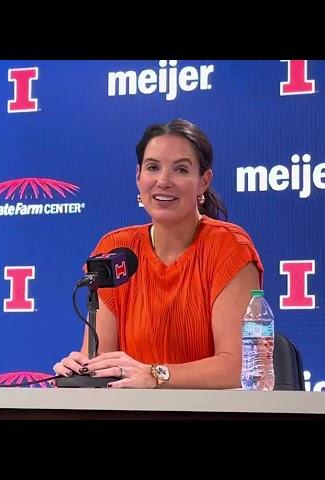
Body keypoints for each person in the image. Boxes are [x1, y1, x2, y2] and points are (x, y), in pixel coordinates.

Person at [53, 119, 264, 389]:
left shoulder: (229, 246)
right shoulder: (115, 249)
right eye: (153, 167)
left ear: (204, 182)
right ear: (138, 176)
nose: (163, 181)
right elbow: (101, 359)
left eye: (181, 170)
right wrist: (81, 368)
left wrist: (154, 375)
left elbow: (239, 367)